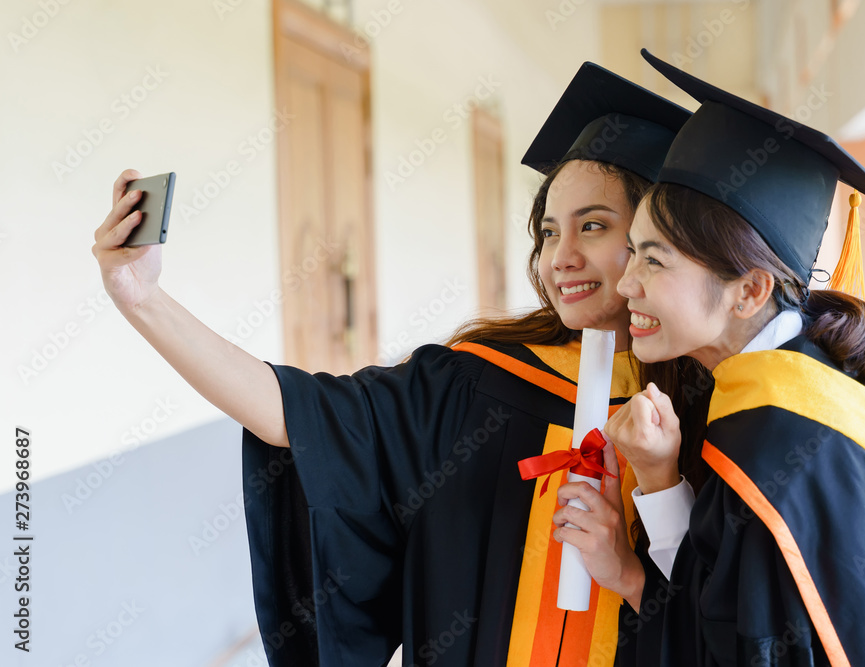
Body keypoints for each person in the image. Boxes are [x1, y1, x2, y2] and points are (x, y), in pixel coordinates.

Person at [92, 62, 692, 666]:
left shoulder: (710, 411)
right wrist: (143, 300)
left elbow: (734, 627)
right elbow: (297, 415)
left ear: (653, 238)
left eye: (592, 226)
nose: (561, 257)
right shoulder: (475, 386)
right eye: (547, 231)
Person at [571, 50, 865, 666]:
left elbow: (733, 645)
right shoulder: (855, 358)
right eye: (633, 252)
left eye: (656, 261)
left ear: (750, 290)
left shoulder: (774, 441)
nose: (627, 284)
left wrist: (637, 551)